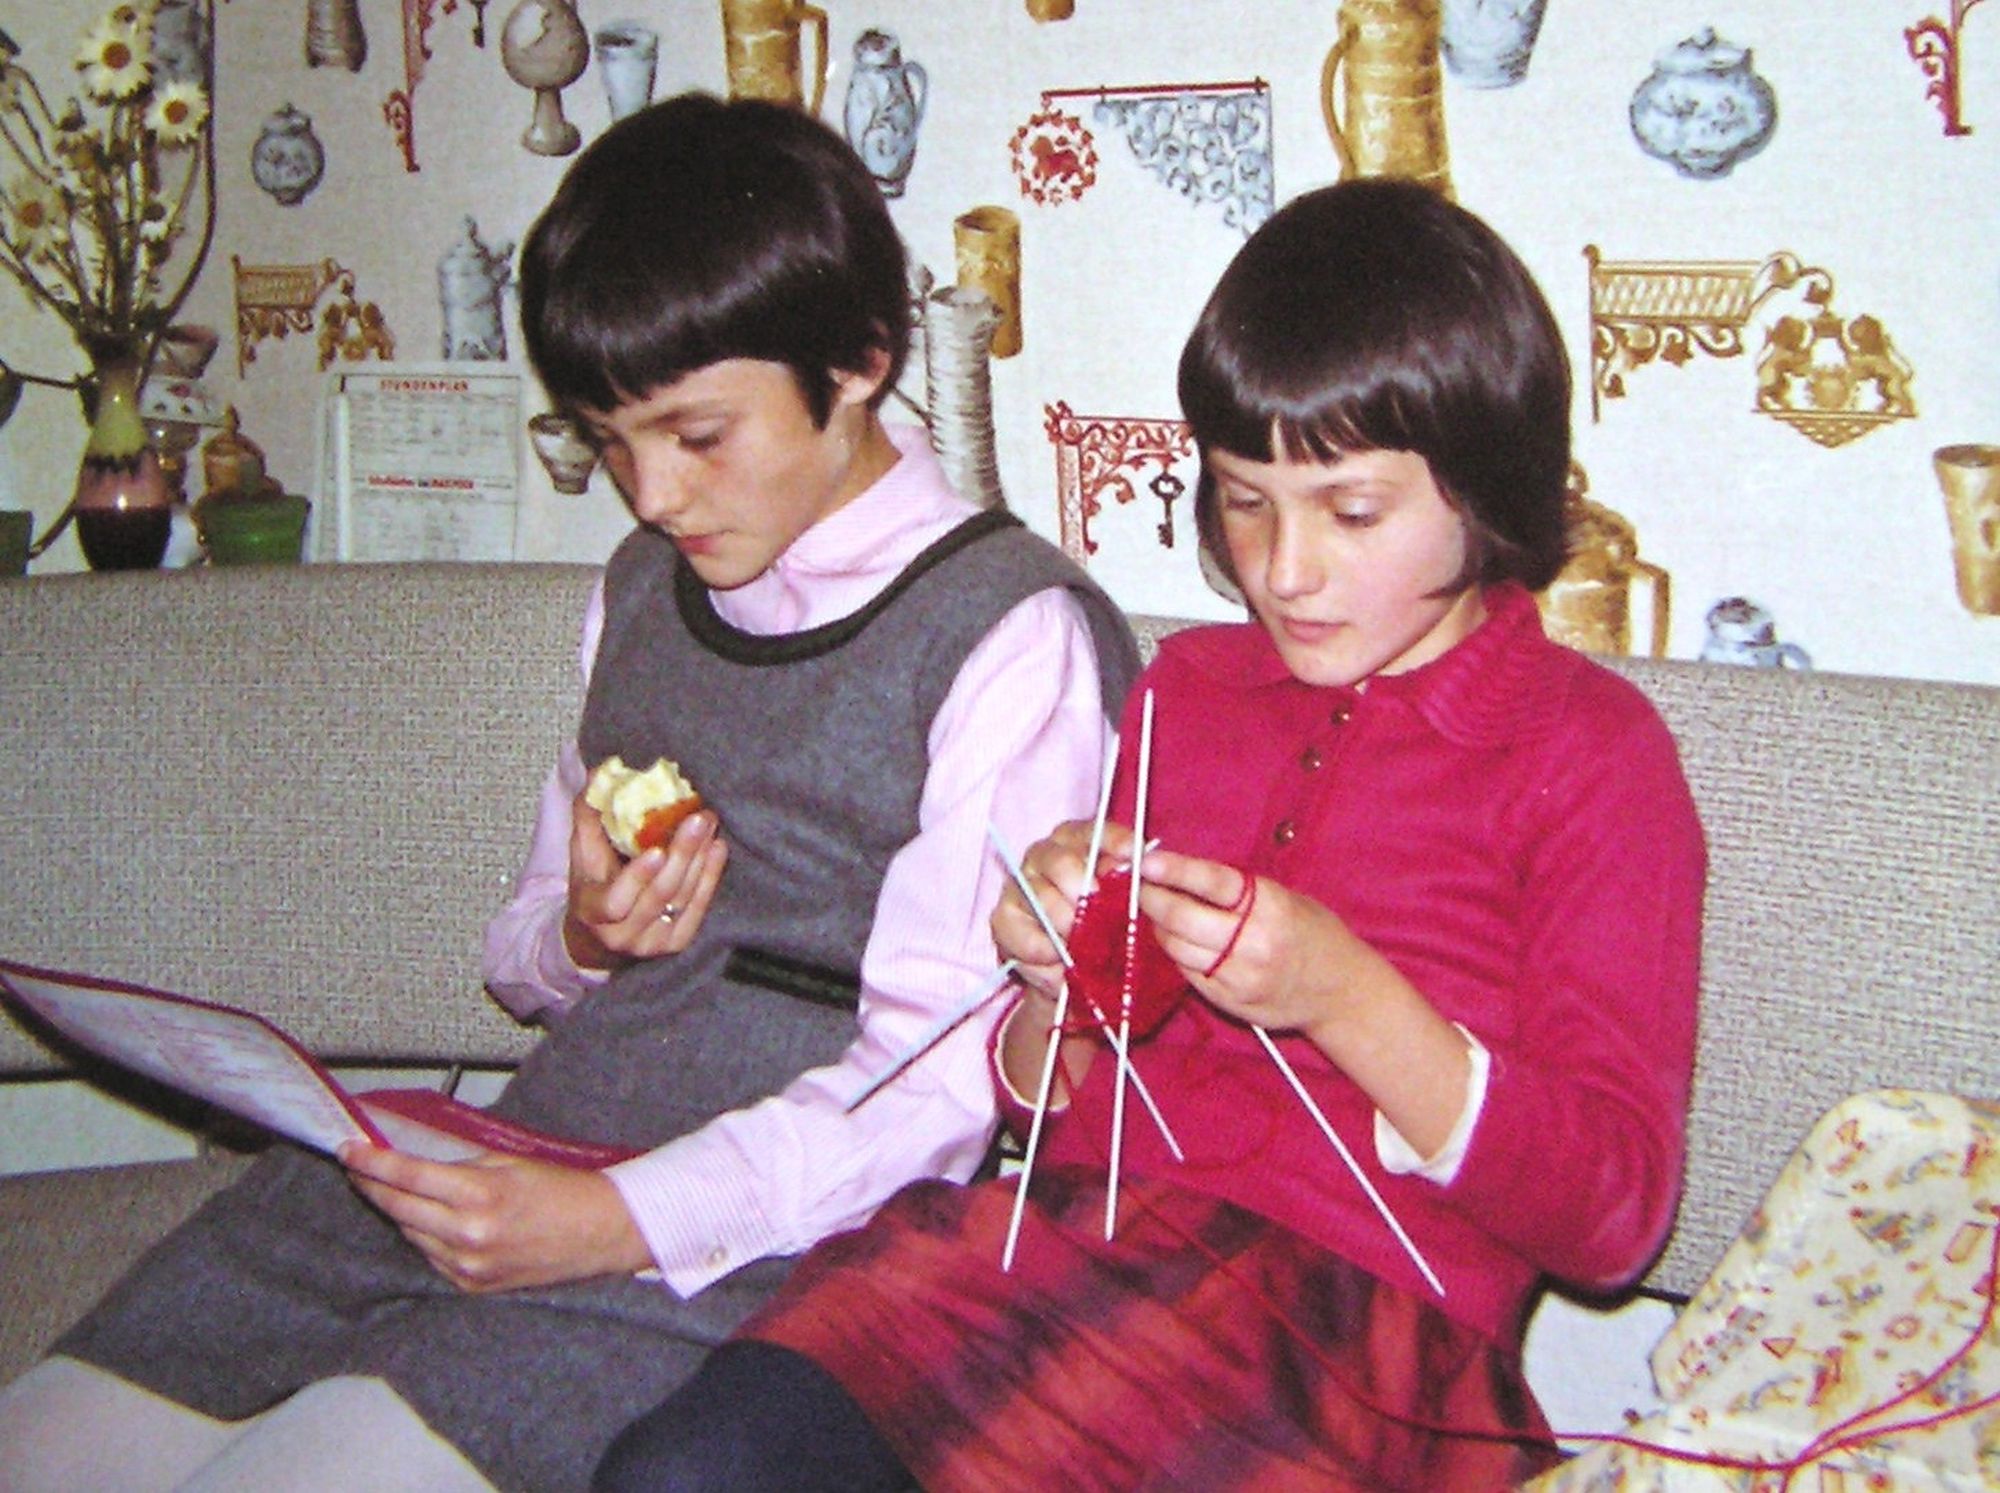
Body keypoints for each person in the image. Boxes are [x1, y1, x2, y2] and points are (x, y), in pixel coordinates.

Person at [0, 93, 1138, 1493]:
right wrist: (590, 939)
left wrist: (610, 1217)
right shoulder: (641, 592)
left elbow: (939, 1088)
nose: (651, 493)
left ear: (858, 362)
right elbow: (525, 948)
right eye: (609, 441)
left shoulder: (1010, 633)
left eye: (697, 433)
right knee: (45, 1442)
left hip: (759, 1227)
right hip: (529, 1139)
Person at [594, 177, 1706, 1491]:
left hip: (1357, 1339)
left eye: (1351, 511)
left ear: (1489, 488)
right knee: (687, 1469)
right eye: (1243, 501)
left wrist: (1338, 990)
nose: (1281, 568)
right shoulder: (1193, 690)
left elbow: (1611, 1216)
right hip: (1049, 1255)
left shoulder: (1588, 749)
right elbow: (1047, 1093)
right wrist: (1049, 980)